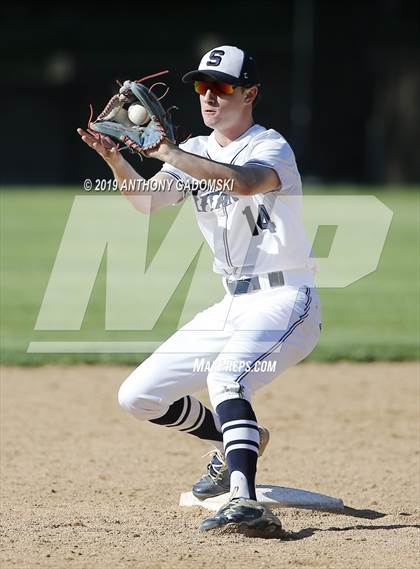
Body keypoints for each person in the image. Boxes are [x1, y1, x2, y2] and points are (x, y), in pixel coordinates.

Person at [77, 45, 322, 536]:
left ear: (249, 93)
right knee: (138, 397)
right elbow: (148, 203)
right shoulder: (198, 152)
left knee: (228, 378)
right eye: (202, 86)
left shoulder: (269, 146)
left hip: (285, 299)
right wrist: (115, 161)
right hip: (232, 301)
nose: (210, 96)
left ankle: (246, 501)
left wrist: (168, 151)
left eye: (223, 86)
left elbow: (247, 184)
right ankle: (237, 441)